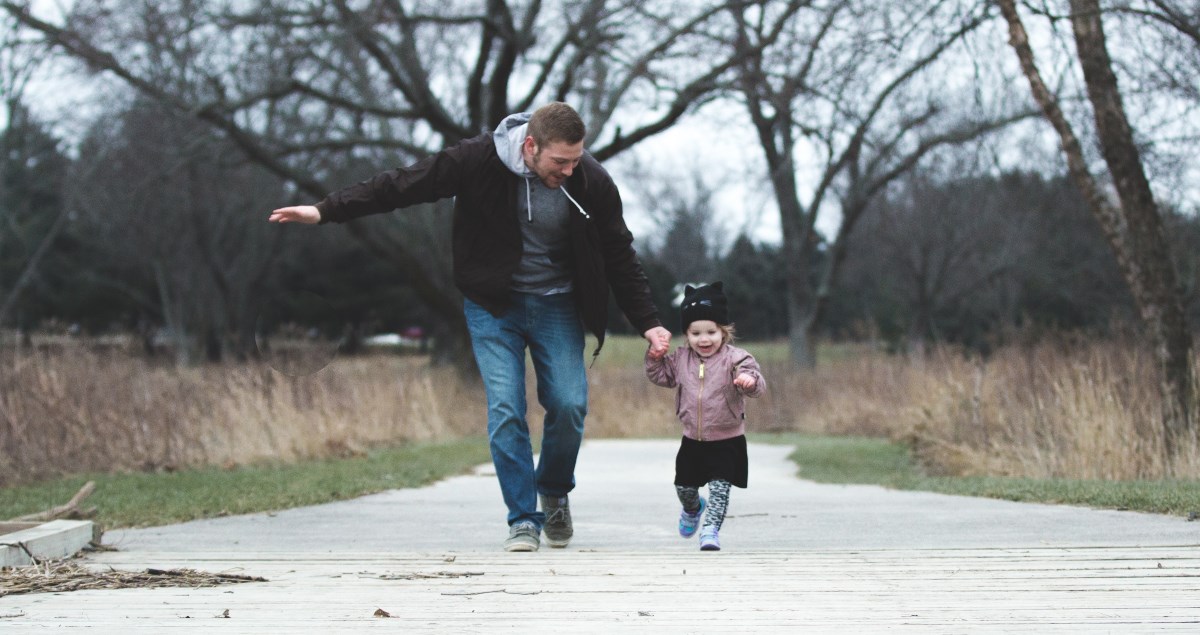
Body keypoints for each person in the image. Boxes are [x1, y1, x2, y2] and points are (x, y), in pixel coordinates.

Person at [269, 102, 672, 552]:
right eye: (560, 161)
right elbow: (403, 185)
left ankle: (554, 490)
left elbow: (619, 253)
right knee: (505, 409)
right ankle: (523, 518)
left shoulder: (590, 180)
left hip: (556, 303)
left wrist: (649, 323)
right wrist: (326, 210)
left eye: (576, 159)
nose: (569, 169)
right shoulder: (476, 159)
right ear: (530, 145)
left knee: (569, 404)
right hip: (492, 304)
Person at [645, 282, 765, 551]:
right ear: (686, 335)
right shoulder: (680, 359)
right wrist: (654, 358)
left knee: (720, 491)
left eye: (711, 332)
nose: (704, 339)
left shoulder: (737, 359)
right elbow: (660, 376)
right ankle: (694, 507)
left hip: (727, 440)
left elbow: (758, 383)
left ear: (724, 331)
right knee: (684, 488)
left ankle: (710, 531)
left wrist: (749, 380)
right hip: (692, 440)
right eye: (696, 333)